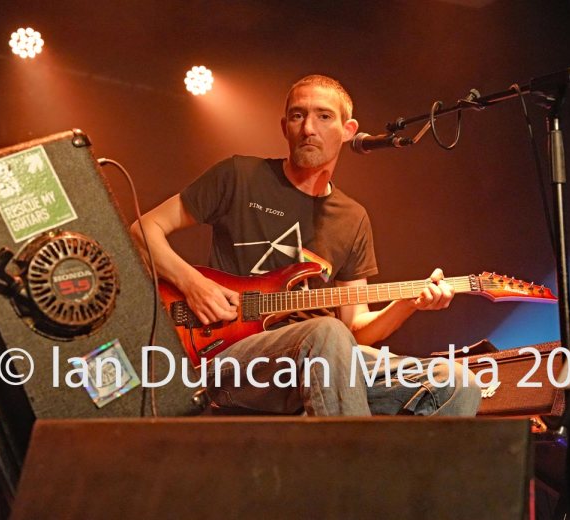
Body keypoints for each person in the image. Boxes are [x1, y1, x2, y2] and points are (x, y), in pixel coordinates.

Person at [130, 74, 481, 417]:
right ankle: (346, 468)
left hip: (327, 362)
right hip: (230, 358)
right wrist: (194, 286)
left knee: (457, 382)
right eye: (298, 116)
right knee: (325, 333)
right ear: (285, 127)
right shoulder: (239, 176)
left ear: (348, 130)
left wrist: (407, 304)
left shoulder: (352, 217)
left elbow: (357, 328)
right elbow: (143, 229)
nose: (308, 128)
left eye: (323, 116)